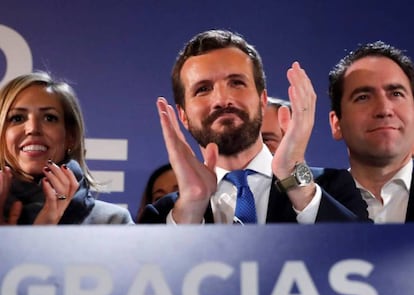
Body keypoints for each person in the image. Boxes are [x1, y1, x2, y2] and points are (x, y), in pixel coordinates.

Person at [140, 29, 368, 224]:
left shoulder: (333, 187)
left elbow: (369, 261)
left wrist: (295, 179)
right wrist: (191, 205)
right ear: (183, 115)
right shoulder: (163, 216)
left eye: (236, 83)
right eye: (203, 89)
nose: (222, 99)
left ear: (262, 100)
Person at [0, 71, 134, 225]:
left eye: (49, 118)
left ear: (71, 137)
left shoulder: (112, 222)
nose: (33, 128)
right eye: (17, 118)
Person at [329, 41, 414, 223]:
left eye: (396, 94)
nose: (384, 109)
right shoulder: (308, 200)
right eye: (363, 97)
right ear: (336, 124)